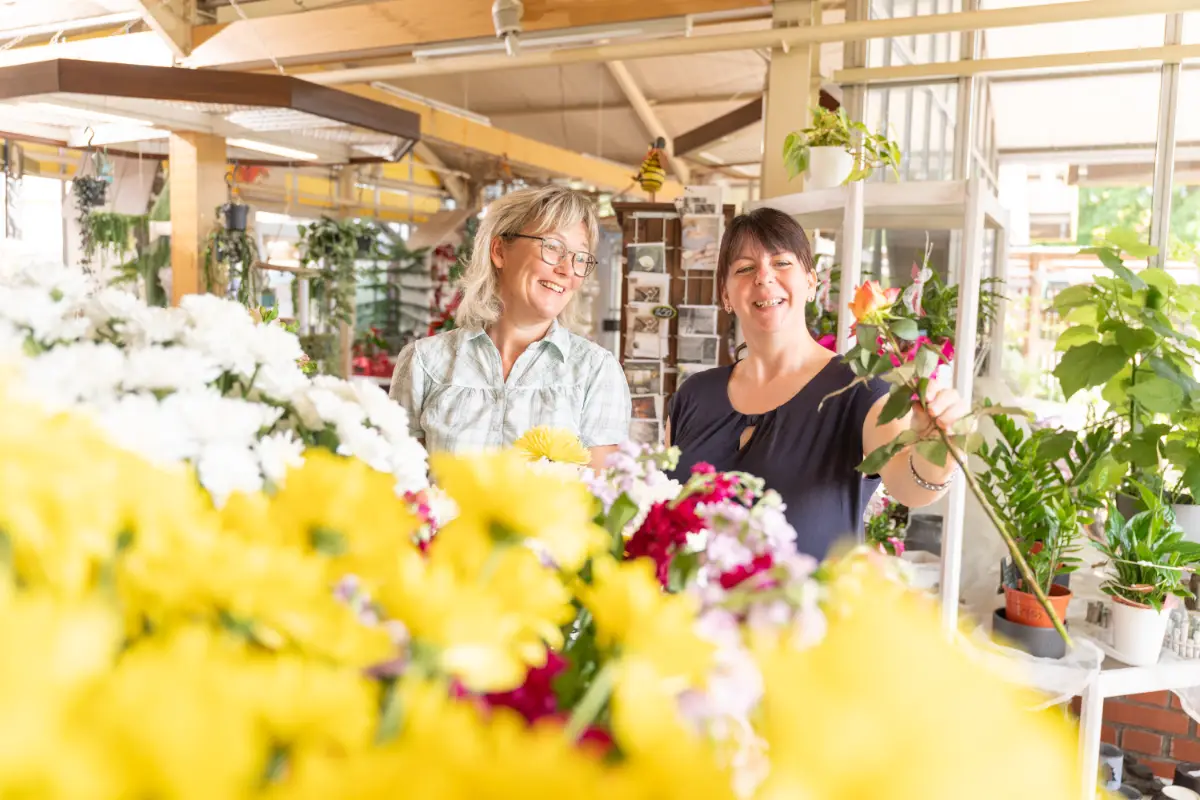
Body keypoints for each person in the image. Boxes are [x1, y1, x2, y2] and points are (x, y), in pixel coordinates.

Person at [666, 207, 969, 560]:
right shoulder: (693, 396)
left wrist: (938, 443)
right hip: (691, 613)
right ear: (725, 296)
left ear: (811, 282)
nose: (763, 277)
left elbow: (912, 487)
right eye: (745, 268)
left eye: (781, 263)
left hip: (806, 613)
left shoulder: (859, 389)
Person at [390, 185, 631, 469]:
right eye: (553, 247)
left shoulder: (595, 372)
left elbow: (599, 503)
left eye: (580, 257)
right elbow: (398, 485)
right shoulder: (424, 363)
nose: (567, 270)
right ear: (499, 250)